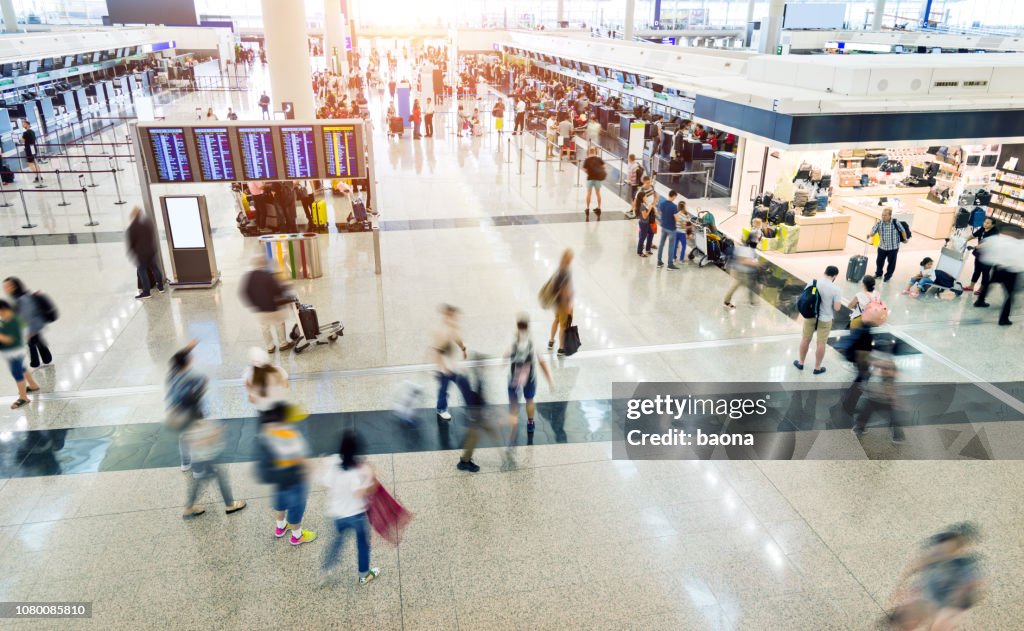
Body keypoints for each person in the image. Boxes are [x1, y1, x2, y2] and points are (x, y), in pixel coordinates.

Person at [173, 343, 248, 519]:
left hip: (199, 452)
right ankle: (229, 504)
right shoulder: (197, 417)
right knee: (215, 475)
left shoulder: (180, 394)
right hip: (205, 452)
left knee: (203, 478)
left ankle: (191, 506)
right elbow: (203, 438)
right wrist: (217, 431)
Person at [883, 522, 984, 631]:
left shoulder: (913, 596)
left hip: (948, 579)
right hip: (954, 584)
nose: (914, 625)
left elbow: (919, 565)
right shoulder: (937, 615)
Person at [319, 431, 381, 586]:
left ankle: (326, 570)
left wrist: (324, 463)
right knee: (363, 545)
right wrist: (370, 478)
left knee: (336, 543)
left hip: (336, 514)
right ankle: (364, 575)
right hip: (356, 516)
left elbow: (326, 483)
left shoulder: (334, 461)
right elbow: (361, 492)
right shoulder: (357, 471)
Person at [260, 403, 317, 545]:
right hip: (294, 478)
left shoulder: (266, 432)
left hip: (278, 477)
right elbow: (302, 460)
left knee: (280, 502)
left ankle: (280, 527)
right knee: (296, 506)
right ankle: (297, 536)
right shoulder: (291, 436)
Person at [507, 313, 552, 450]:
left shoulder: (513, 339)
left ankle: (513, 432)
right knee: (529, 400)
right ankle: (530, 423)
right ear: (528, 325)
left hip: (514, 376)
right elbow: (541, 361)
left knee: (514, 404)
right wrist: (549, 379)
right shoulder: (532, 341)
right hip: (530, 376)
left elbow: (506, 355)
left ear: (517, 325)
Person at [794, 265, 843, 375]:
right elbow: (837, 308)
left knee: (805, 339)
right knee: (821, 343)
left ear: (825, 272)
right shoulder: (836, 289)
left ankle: (801, 363)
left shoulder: (813, 282)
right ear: (835, 276)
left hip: (811, 316)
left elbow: (805, 297)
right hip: (825, 319)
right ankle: (817, 368)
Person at [241, 256, 295, 354]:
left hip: (260, 309)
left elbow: (244, 292)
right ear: (264, 265)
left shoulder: (249, 276)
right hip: (272, 307)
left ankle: (270, 347)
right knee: (279, 324)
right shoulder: (268, 276)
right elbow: (277, 290)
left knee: (264, 327)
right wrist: (285, 288)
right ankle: (283, 344)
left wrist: (254, 304)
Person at [431, 304, 469, 422]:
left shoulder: (451, 328)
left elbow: (457, 339)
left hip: (451, 366)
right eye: (453, 315)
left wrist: (463, 349)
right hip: (445, 369)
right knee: (444, 389)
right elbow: (437, 351)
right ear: (448, 316)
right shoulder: (443, 331)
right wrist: (442, 367)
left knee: (462, 385)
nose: (456, 317)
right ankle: (441, 409)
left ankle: (469, 406)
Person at [3, 277, 51, 369]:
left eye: (8, 286)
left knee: (32, 343)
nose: (6, 288)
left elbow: (26, 314)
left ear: (15, 286)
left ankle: (36, 363)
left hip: (31, 326)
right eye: (5, 286)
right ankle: (46, 359)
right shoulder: (18, 296)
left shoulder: (21, 298)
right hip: (33, 324)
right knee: (37, 341)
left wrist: (29, 330)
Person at [0, 299, 39, 409]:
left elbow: (10, 340)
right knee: (22, 368)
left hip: (14, 353)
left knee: (17, 373)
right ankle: (33, 385)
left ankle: (23, 398)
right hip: (16, 351)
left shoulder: (13, 321)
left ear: (2, 309)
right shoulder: (10, 319)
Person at [126, 207, 165, 299]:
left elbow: (131, 242)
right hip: (151, 251)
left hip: (141, 253)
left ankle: (146, 292)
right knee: (155, 268)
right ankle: (160, 287)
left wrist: (132, 252)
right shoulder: (147, 224)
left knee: (142, 271)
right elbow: (152, 236)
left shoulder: (132, 227)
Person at [723, 219, 764, 306]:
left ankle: (751, 301)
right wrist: (756, 264)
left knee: (749, 286)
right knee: (748, 286)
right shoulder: (747, 250)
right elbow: (743, 260)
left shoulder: (749, 249)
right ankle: (728, 300)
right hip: (742, 273)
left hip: (744, 272)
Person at [244, 348, 290, 415]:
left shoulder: (250, 377)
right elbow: (286, 387)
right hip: (280, 407)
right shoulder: (279, 371)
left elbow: (252, 399)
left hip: (263, 410)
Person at [545, 249, 574, 356]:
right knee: (563, 325)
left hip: (556, 302)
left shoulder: (560, 268)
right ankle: (561, 348)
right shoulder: (565, 271)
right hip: (563, 303)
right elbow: (564, 290)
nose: (571, 260)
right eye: (570, 258)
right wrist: (567, 305)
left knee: (556, 320)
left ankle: (551, 340)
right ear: (567, 259)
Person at [867, 207, 908, 282]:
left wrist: (905, 239)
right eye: (882, 215)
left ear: (890, 215)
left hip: (893, 247)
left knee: (891, 263)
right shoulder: (879, 223)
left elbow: (902, 230)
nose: (883, 217)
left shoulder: (895, 222)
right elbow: (873, 232)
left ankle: (888, 276)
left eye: (885, 215)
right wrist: (869, 235)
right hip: (882, 247)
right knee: (879, 262)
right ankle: (878, 274)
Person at [964, 217, 998, 293]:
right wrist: (963, 240)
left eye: (988, 223)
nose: (985, 224)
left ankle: (982, 289)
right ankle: (971, 286)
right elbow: (973, 235)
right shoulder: (982, 228)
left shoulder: (995, 233)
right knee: (977, 270)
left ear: (993, 225)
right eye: (985, 222)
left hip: (989, 256)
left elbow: (987, 244)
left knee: (985, 272)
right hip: (980, 253)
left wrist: (975, 247)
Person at [655, 191, 680, 270]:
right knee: (671, 246)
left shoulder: (663, 203)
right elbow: (677, 219)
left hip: (664, 226)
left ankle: (659, 261)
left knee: (661, 244)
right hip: (671, 228)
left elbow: (660, 212)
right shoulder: (673, 206)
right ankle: (670, 264)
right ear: (673, 196)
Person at [581, 146, 606, 220]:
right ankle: (599, 208)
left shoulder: (587, 160)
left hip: (590, 178)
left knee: (589, 193)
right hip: (597, 178)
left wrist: (589, 172)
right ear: (595, 151)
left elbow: (584, 169)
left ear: (589, 151)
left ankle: (587, 208)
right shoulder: (599, 159)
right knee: (598, 193)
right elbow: (604, 166)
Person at [635, 177, 657, 258]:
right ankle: (639, 252)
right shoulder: (642, 206)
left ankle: (648, 249)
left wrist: (652, 207)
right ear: (642, 198)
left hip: (646, 223)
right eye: (645, 197)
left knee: (651, 233)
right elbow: (644, 216)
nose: (646, 198)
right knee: (642, 238)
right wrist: (650, 208)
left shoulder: (644, 204)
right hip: (644, 223)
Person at [21, 119, 41, 185]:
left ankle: (37, 177)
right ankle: (39, 176)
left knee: (30, 163)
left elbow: (22, 141)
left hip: (29, 149)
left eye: (24, 124)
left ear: (27, 125)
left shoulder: (25, 133)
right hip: (33, 148)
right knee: (35, 162)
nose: (23, 125)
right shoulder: (33, 131)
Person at [673, 200, 691, 265]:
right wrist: (691, 226)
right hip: (682, 233)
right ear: (684, 207)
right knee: (684, 246)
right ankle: (681, 259)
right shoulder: (685, 216)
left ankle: (674, 258)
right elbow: (685, 226)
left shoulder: (677, 214)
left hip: (676, 232)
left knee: (675, 246)